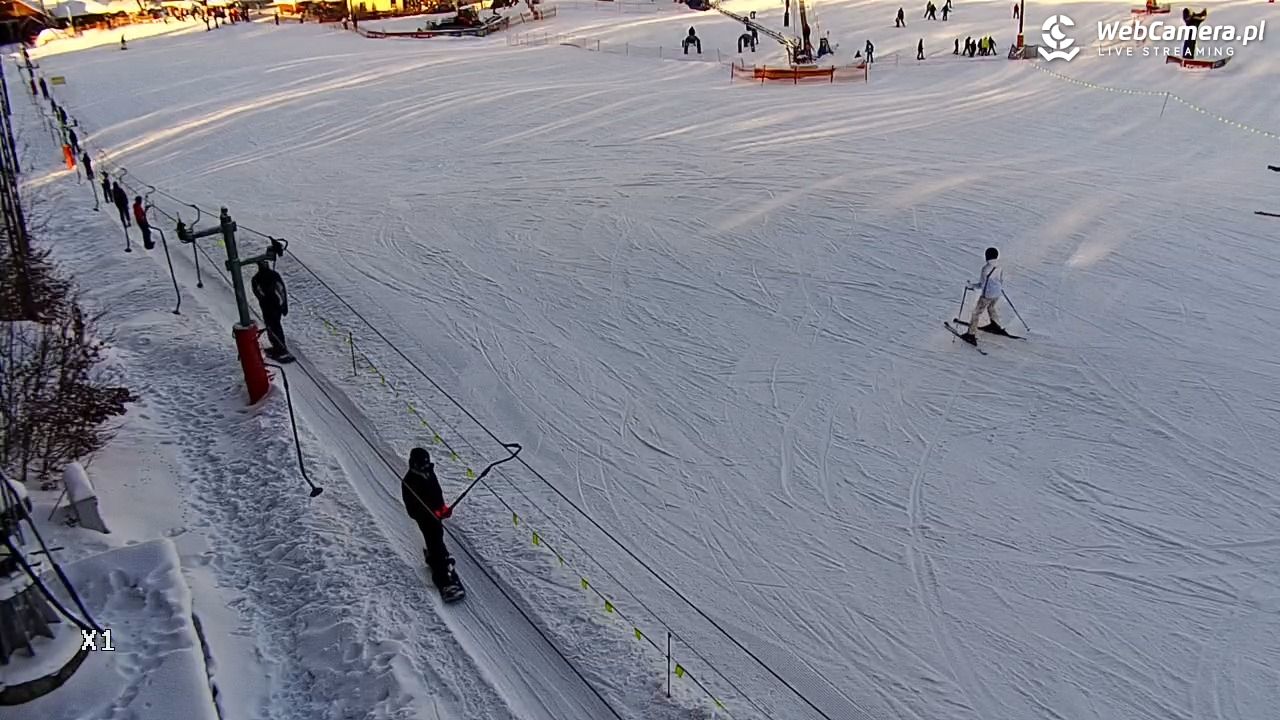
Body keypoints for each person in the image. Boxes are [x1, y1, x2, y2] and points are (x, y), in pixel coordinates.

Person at [402, 447, 458, 592]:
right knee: (433, 541)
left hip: (435, 515)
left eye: (427, 464)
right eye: (422, 465)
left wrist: (443, 508)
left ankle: (439, 555)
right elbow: (412, 509)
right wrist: (428, 514)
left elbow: (437, 493)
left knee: (438, 535)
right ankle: (443, 578)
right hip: (425, 519)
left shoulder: (429, 474)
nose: (425, 467)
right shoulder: (409, 482)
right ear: (414, 464)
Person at [960, 247, 1005, 344]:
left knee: (976, 313)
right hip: (997, 293)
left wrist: (971, 286)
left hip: (987, 295)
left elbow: (982, 285)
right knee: (991, 308)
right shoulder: (1000, 267)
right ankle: (996, 325)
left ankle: (970, 334)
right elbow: (1001, 280)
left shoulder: (986, 269)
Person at [251, 260, 290, 358]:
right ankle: (280, 347)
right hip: (277, 305)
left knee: (272, 326)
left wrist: (264, 303)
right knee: (276, 326)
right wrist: (284, 305)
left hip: (268, 306)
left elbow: (258, 293)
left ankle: (279, 349)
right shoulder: (274, 275)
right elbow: (282, 291)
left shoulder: (256, 278)